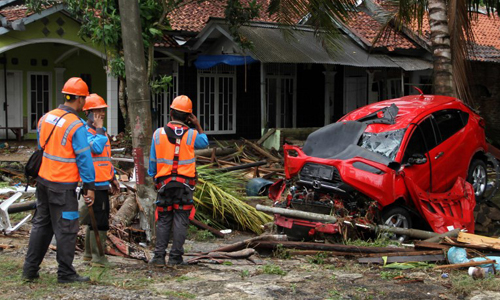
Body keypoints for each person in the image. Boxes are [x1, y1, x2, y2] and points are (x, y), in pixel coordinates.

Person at [22, 77, 96, 284]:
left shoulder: (46, 117)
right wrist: (89, 186)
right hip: (62, 186)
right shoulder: (75, 125)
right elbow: (83, 157)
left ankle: (30, 270)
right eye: (84, 99)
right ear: (80, 99)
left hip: (44, 182)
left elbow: (41, 146)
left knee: (41, 225)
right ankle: (65, 273)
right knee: (67, 228)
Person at [148, 95, 208, 266]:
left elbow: (152, 162)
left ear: (171, 112)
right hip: (185, 185)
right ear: (188, 116)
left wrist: (154, 178)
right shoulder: (192, 135)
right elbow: (205, 143)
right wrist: (196, 124)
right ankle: (175, 258)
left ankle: (159, 257)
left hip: (164, 184)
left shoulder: (158, 134)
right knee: (181, 217)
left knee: (164, 217)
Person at [81, 93, 120, 267]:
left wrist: (112, 178)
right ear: (87, 113)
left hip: (103, 181)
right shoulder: (85, 132)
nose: (101, 114)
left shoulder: (101, 132)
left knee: (95, 218)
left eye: (102, 110)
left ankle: (89, 255)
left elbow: (105, 158)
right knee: (99, 220)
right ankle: (98, 257)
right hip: (93, 184)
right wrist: (99, 129)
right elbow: (96, 149)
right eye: (97, 111)